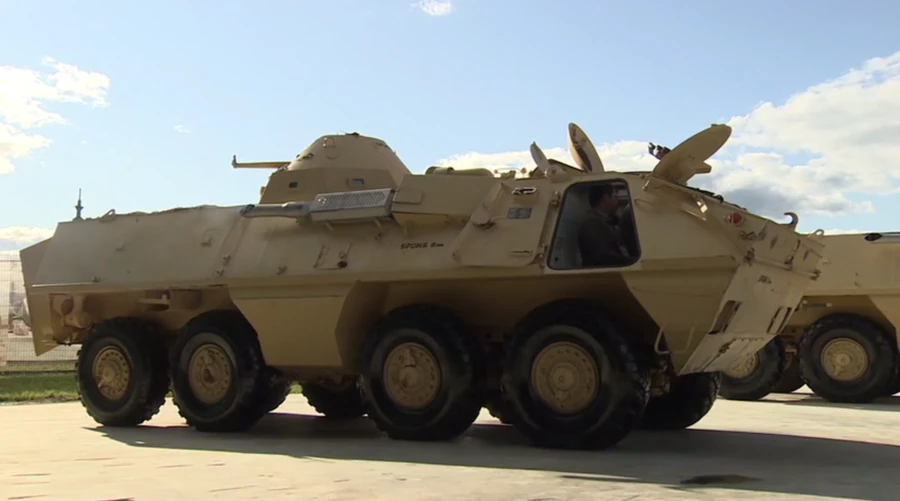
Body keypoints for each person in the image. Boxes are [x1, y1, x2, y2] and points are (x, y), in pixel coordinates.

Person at [578, 185, 632, 267]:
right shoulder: (592, 223)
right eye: (615, 197)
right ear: (606, 198)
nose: (617, 201)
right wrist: (633, 262)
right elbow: (604, 256)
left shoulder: (605, 220)